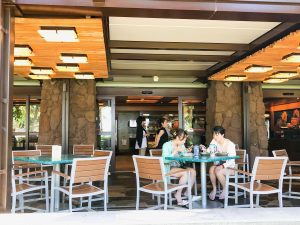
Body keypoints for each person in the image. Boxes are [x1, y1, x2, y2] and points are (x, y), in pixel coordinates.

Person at [200, 126, 236, 201]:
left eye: (217, 134)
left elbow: (232, 160)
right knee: (211, 169)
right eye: (214, 134)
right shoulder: (214, 141)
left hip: (231, 167)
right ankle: (214, 189)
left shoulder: (230, 144)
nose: (215, 136)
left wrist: (223, 166)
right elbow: (209, 151)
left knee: (217, 170)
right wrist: (204, 150)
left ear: (222, 135)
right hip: (218, 165)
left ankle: (226, 189)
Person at [162, 129, 197, 206]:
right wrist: (175, 151)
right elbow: (165, 160)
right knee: (185, 173)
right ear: (178, 137)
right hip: (168, 168)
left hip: (178, 167)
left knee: (193, 171)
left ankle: (187, 193)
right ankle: (178, 194)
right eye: (183, 140)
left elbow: (183, 158)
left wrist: (187, 151)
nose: (184, 142)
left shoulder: (181, 145)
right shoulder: (166, 145)